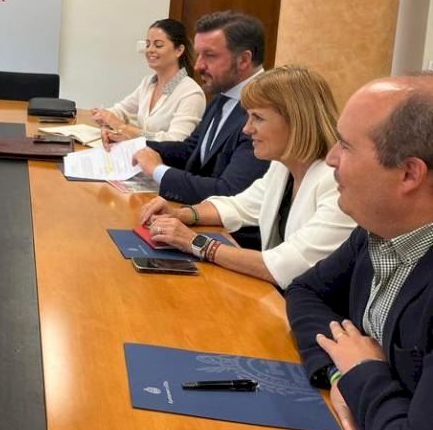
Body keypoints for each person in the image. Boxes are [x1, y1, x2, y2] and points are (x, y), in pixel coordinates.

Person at [286, 74, 433, 430]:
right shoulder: (378, 229)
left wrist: (362, 374)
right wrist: (338, 373)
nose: (330, 158)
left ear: (409, 173)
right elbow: (305, 291)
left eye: (346, 146)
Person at [138, 66, 356, 289]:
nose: (246, 129)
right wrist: (181, 214)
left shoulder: (335, 183)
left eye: (257, 118)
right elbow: (240, 205)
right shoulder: (282, 168)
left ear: (297, 121)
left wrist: (195, 242)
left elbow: (287, 264)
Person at [132, 11, 271, 220]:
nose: (198, 66)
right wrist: (136, 146)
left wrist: (158, 170)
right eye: (198, 55)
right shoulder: (222, 95)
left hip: (228, 229)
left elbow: (230, 192)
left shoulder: (266, 110)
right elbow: (191, 150)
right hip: (194, 212)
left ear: (243, 60)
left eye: (210, 55)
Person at [91, 18, 205, 143]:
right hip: (138, 152)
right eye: (147, 44)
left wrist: (124, 128)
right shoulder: (149, 82)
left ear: (179, 50)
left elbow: (175, 141)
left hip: (162, 156)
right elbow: (121, 110)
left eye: (158, 45)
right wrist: (105, 116)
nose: (150, 50)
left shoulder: (190, 93)